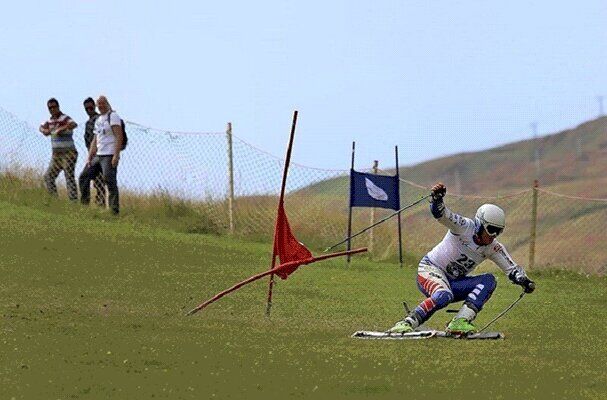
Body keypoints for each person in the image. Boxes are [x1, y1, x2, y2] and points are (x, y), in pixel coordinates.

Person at [388, 182, 535, 335]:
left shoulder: (493, 247)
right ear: (479, 224)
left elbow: (512, 270)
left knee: (489, 281)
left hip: (453, 282)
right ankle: (407, 322)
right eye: (491, 230)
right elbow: (442, 215)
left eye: (498, 232)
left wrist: (524, 281)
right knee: (444, 295)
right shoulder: (464, 226)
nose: (493, 236)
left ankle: (460, 322)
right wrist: (437, 200)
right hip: (430, 269)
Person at [79, 96, 123, 214]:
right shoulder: (98, 120)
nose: (101, 106)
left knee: (109, 180)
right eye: (99, 104)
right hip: (98, 154)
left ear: (107, 103)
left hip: (109, 154)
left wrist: (116, 155)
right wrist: (89, 157)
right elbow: (95, 139)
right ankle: (84, 205)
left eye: (103, 103)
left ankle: (114, 211)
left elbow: (119, 136)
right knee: (84, 176)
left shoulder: (113, 117)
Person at [39, 98, 78, 200]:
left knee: (69, 176)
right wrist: (45, 131)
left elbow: (74, 124)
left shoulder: (64, 118)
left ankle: (73, 202)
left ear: (58, 107)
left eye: (54, 107)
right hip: (56, 155)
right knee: (48, 177)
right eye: (50, 108)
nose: (52, 109)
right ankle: (54, 200)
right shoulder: (50, 121)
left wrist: (62, 128)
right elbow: (41, 127)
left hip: (68, 153)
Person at [82, 97, 106, 207]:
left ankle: (100, 203)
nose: (89, 109)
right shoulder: (88, 123)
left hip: (102, 153)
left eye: (91, 107)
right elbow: (88, 140)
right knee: (92, 179)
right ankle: (89, 203)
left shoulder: (100, 119)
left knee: (100, 181)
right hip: (93, 154)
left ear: (94, 106)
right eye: (86, 108)